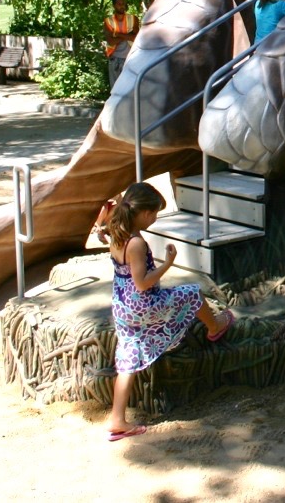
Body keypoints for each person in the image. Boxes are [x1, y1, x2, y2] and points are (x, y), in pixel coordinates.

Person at [94, 182, 235, 440]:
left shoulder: (117, 233)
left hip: (123, 307)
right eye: (155, 213)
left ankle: (117, 419)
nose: (156, 218)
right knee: (191, 293)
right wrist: (168, 264)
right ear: (145, 213)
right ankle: (214, 326)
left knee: (128, 360)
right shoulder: (135, 242)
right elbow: (142, 282)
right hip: (143, 305)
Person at [103, 0, 141, 87]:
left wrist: (117, 34)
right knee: (115, 89)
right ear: (114, 6)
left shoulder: (133, 19)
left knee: (130, 88)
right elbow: (111, 41)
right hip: (114, 59)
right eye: (119, 4)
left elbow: (135, 38)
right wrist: (128, 35)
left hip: (130, 58)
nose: (122, 6)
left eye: (123, 4)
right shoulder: (108, 21)